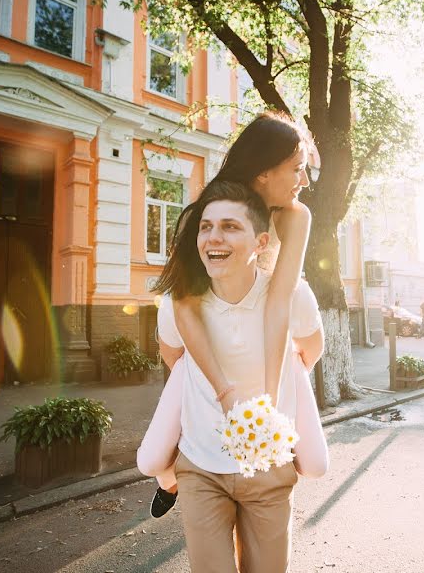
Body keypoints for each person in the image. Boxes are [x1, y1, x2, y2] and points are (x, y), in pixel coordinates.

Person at [137, 112, 328, 518]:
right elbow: (183, 306)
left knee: (314, 464)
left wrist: (269, 405)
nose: (305, 180)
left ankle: (253, 492)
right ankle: (176, 483)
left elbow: (279, 302)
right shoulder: (201, 216)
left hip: (262, 341)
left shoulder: (296, 218)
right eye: (297, 168)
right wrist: (216, 387)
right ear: (263, 172)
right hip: (200, 347)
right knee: (155, 462)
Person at [156, 181, 324, 572]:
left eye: (230, 226)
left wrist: (278, 392)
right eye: (205, 226)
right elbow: (175, 360)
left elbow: (309, 352)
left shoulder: (292, 295)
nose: (213, 237)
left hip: (268, 467)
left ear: (261, 242)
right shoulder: (177, 304)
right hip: (201, 467)